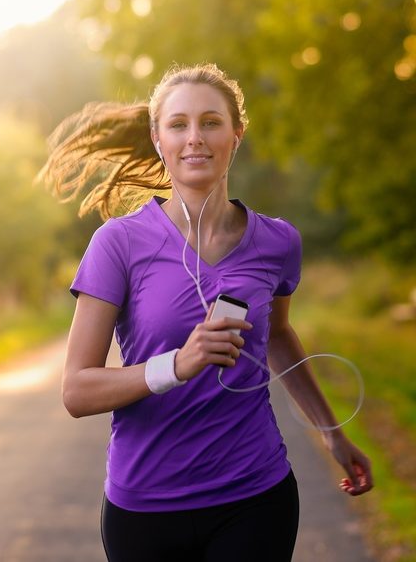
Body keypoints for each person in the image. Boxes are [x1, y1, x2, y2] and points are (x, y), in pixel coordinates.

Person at [39, 63, 373, 562]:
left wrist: (332, 433)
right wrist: (176, 365)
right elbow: (77, 390)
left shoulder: (278, 242)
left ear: (236, 135)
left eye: (211, 122)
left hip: (255, 495)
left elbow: (277, 336)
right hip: (146, 507)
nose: (195, 138)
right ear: (158, 139)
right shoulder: (119, 244)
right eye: (179, 124)